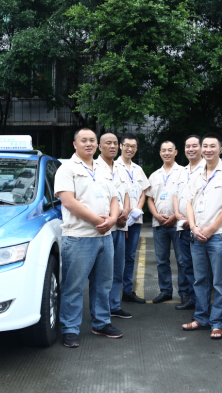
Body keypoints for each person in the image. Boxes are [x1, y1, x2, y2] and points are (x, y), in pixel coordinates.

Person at [54, 127, 123, 348]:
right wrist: (97, 221)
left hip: (105, 235)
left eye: (92, 140)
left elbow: (114, 198)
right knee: (74, 286)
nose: (89, 144)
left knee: (103, 284)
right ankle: (70, 329)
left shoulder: (103, 169)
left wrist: (112, 219)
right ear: (75, 144)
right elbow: (68, 201)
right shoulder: (67, 169)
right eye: (83, 140)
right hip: (79, 237)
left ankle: (101, 322)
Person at [182, 133, 222, 340]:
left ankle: (217, 323)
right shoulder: (196, 175)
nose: (208, 150)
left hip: (219, 235)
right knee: (200, 280)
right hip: (197, 234)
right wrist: (193, 227)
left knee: (219, 282)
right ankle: (201, 318)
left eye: (212, 146)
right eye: (205, 146)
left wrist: (210, 229)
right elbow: (189, 203)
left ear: (220, 150)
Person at [94, 132, 133, 320]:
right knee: (102, 273)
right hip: (104, 227)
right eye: (108, 143)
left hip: (120, 226)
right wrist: (114, 215)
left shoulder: (120, 168)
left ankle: (114, 305)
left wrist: (126, 211)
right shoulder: (94, 168)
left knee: (118, 268)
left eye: (115, 143)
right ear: (100, 147)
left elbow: (126, 193)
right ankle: (100, 310)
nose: (112, 146)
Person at [146, 141, 189, 304]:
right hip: (159, 224)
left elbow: (187, 196)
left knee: (182, 260)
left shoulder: (183, 172)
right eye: (163, 150)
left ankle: (184, 292)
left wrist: (175, 216)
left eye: (170, 150)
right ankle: (165, 290)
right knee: (161, 260)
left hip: (178, 224)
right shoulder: (154, 175)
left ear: (176, 152)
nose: (166, 153)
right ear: (160, 153)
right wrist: (156, 215)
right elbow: (150, 199)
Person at [114, 134, 150, 305]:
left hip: (134, 220)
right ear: (121, 146)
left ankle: (127, 291)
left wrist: (138, 209)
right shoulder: (114, 166)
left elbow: (144, 191)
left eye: (133, 146)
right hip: (119, 219)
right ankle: (113, 294)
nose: (130, 149)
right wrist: (122, 213)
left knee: (130, 256)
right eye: (127, 145)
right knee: (116, 257)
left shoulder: (138, 169)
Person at [172, 135, 204, 311]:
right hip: (182, 227)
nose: (190, 149)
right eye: (187, 146)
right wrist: (177, 214)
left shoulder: (207, 169)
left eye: (194, 146)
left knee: (201, 268)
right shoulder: (182, 171)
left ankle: (202, 304)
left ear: (201, 148)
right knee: (187, 265)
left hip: (199, 227)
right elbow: (176, 195)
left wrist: (191, 221)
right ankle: (192, 299)